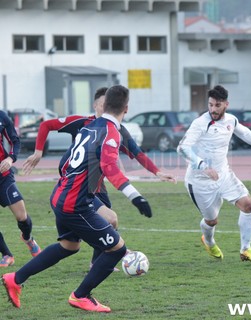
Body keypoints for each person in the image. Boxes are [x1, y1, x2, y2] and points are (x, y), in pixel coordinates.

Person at [2, 84, 153, 313]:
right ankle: (81, 296)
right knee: (118, 249)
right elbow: (110, 167)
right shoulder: (110, 132)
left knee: (68, 246)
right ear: (126, 108)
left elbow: (67, 160)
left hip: (61, 195)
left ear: (106, 105)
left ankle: (16, 278)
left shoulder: (89, 126)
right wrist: (136, 197)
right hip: (75, 203)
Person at [22, 87, 176, 267]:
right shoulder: (82, 122)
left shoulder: (116, 130)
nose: (106, 108)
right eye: (103, 104)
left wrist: (157, 171)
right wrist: (38, 152)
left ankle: (97, 261)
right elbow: (46, 125)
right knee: (106, 221)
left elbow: (137, 153)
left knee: (98, 228)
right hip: (75, 185)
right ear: (96, 105)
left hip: (96, 186)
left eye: (108, 104)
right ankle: (106, 258)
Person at [177, 85, 251, 263]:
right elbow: (182, 148)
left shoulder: (231, 120)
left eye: (217, 105)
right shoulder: (200, 123)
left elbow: (245, 133)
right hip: (200, 181)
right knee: (212, 221)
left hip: (224, 175)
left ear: (226, 104)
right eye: (211, 105)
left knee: (248, 205)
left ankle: (246, 249)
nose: (213, 109)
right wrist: (203, 166)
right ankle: (208, 240)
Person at [0, 110, 41, 268]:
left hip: (3, 176)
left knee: (22, 216)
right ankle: (7, 254)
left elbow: (15, 142)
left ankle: (28, 238)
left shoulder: (2, 117)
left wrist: (10, 159)